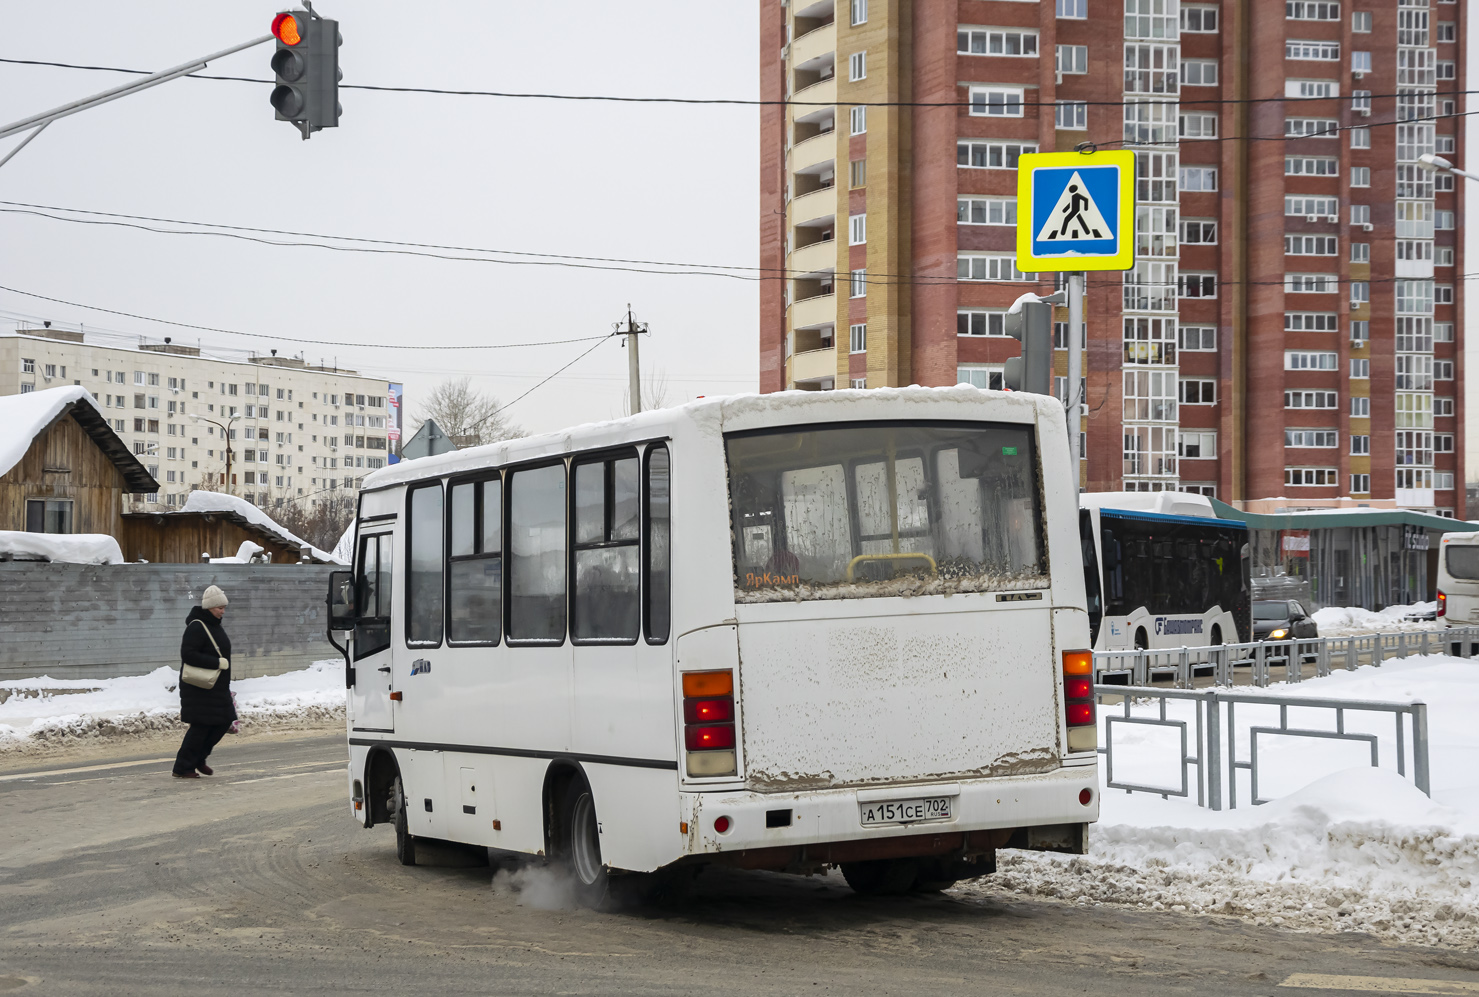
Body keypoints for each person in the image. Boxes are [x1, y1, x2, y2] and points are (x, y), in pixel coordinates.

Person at [173, 585, 237, 779]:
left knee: (223, 721)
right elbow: (188, 654)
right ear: (210, 607)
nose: (222, 611)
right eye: (219, 608)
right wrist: (216, 662)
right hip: (200, 687)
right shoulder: (197, 626)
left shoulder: (213, 625)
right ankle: (183, 767)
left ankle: (199, 758)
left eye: (224, 607)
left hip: (216, 686)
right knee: (201, 726)